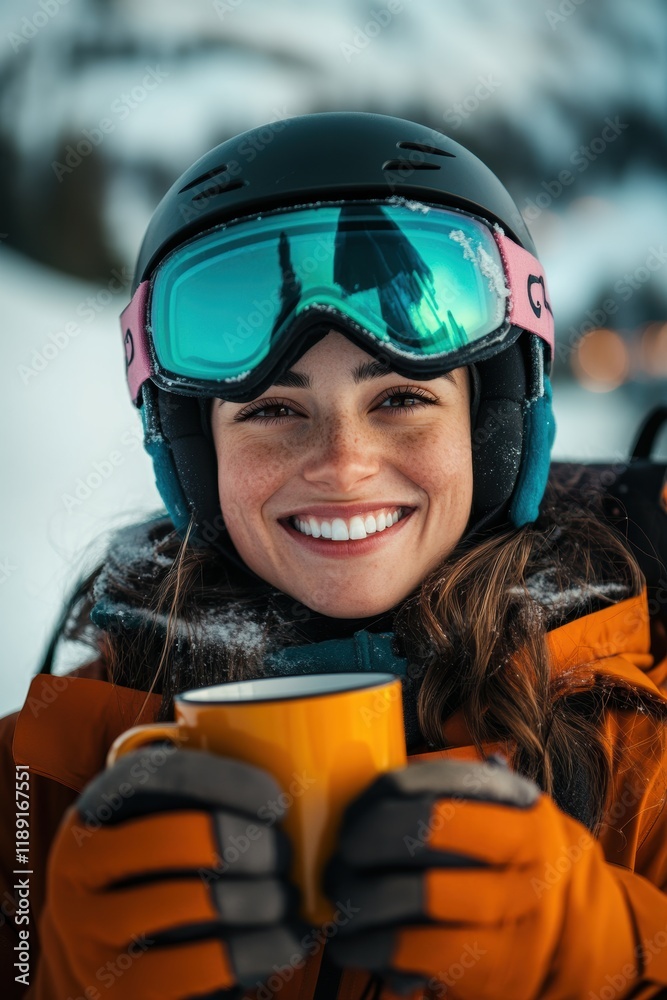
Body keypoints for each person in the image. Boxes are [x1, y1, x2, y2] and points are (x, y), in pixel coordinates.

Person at [1, 111, 666, 1000]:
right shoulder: (44, 774)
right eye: (274, 410)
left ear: (494, 426)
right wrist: (51, 975)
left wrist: (605, 954)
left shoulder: (639, 740)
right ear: (193, 457)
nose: (344, 466)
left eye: (399, 398)